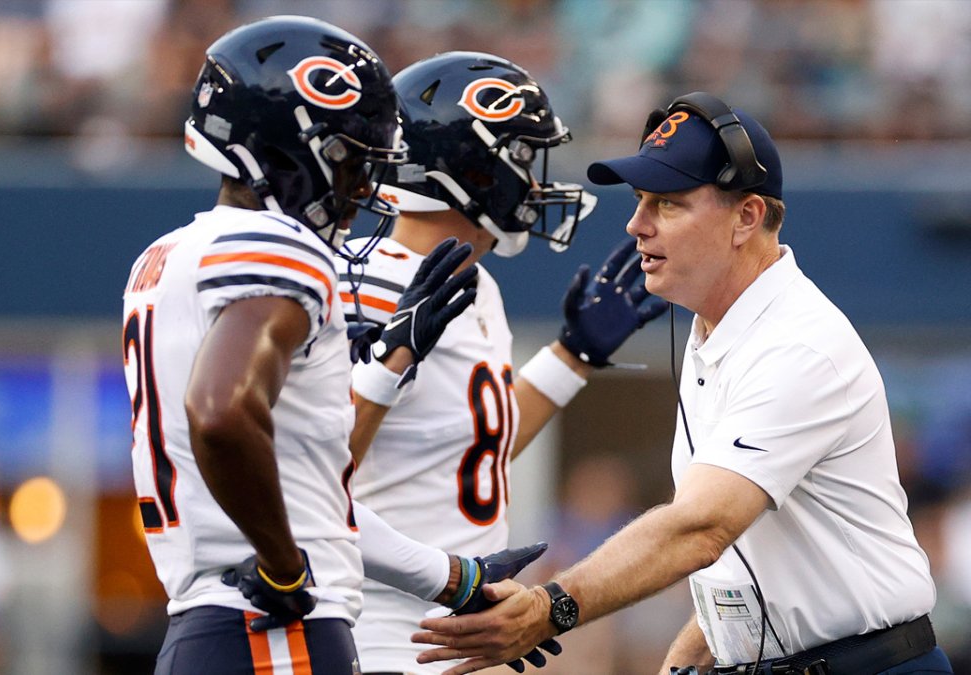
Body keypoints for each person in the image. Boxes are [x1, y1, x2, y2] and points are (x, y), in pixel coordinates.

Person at [411, 92, 952, 675]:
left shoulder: (798, 344)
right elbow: (745, 552)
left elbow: (703, 526)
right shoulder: (719, 329)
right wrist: (685, 657)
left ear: (747, 216)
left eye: (668, 203)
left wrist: (548, 608)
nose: (636, 224)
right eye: (641, 201)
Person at [123, 18, 543, 674]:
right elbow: (220, 412)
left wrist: (454, 578)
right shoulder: (280, 246)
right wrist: (288, 569)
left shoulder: (165, 257)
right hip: (273, 626)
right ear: (293, 149)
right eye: (351, 157)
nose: (364, 185)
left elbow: (310, 495)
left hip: (213, 621)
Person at [338, 51, 667, 675]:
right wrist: (381, 366)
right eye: (521, 157)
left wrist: (573, 359)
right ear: (469, 166)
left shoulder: (475, 284)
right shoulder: (357, 282)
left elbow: (466, 448)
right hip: (376, 638)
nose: (535, 182)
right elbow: (307, 475)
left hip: (461, 639)